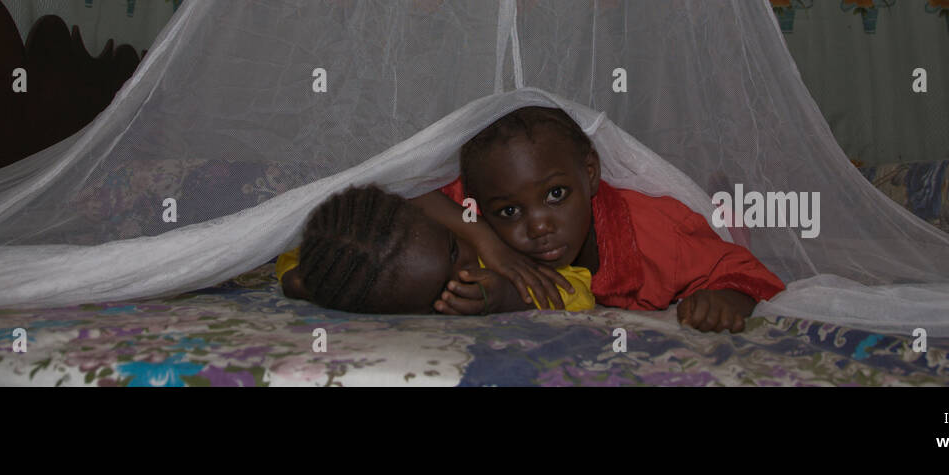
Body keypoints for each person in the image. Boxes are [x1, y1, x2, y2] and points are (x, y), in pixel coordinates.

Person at [439, 106, 786, 332]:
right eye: (510, 211)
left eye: (556, 194)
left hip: (679, 223)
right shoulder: (488, 191)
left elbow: (749, 272)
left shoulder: (659, 238)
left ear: (590, 173)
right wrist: (487, 241)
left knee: (728, 229)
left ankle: (721, 200)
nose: (539, 226)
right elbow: (402, 191)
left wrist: (725, 297)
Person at [276, 184, 594, 314]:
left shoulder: (499, 250)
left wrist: (484, 239)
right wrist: (506, 301)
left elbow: (578, 289)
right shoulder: (352, 265)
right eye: (440, 291)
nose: (467, 273)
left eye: (454, 251)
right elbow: (312, 263)